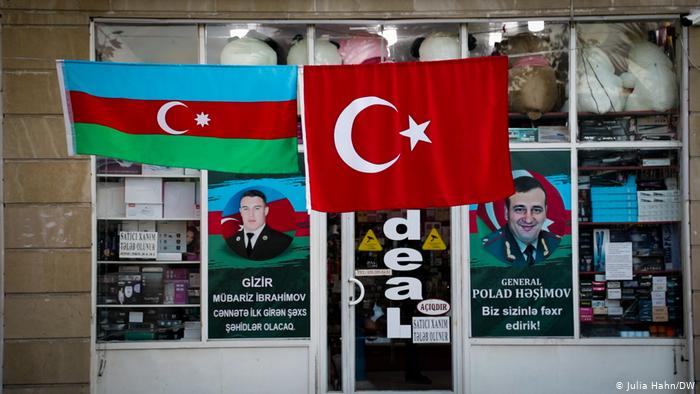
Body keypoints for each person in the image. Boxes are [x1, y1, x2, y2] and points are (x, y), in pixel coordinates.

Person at [482, 176, 561, 266]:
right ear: (506, 213)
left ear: (545, 212)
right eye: (519, 209)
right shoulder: (489, 248)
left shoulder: (556, 244)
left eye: (536, 210)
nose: (528, 220)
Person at [226, 189, 293, 261]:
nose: (251, 215)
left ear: (266, 211)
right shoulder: (230, 243)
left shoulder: (284, 242)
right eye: (246, 209)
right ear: (241, 212)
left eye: (257, 208)